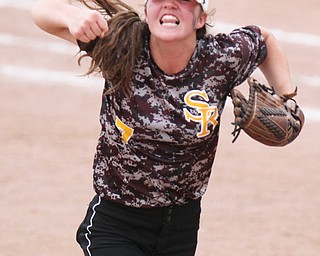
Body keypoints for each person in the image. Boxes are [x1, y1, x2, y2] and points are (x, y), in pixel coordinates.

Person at [31, 0, 297, 255]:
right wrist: (71, 16)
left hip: (181, 226)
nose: (170, 3)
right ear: (147, 12)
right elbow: (41, 10)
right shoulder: (123, 45)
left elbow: (263, 39)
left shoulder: (221, 59)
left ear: (200, 18)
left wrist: (286, 96)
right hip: (117, 222)